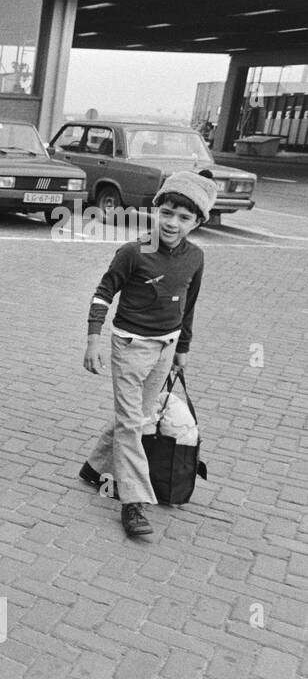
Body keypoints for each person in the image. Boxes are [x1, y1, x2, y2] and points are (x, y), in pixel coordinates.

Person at [81, 171, 214, 539]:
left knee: (137, 415)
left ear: (198, 221)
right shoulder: (133, 252)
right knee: (132, 424)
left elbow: (189, 306)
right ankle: (134, 501)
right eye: (167, 212)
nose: (173, 223)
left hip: (166, 346)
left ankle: (93, 469)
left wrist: (182, 348)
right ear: (157, 210)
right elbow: (102, 293)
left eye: (184, 217)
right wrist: (94, 339)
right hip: (128, 347)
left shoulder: (195, 257)